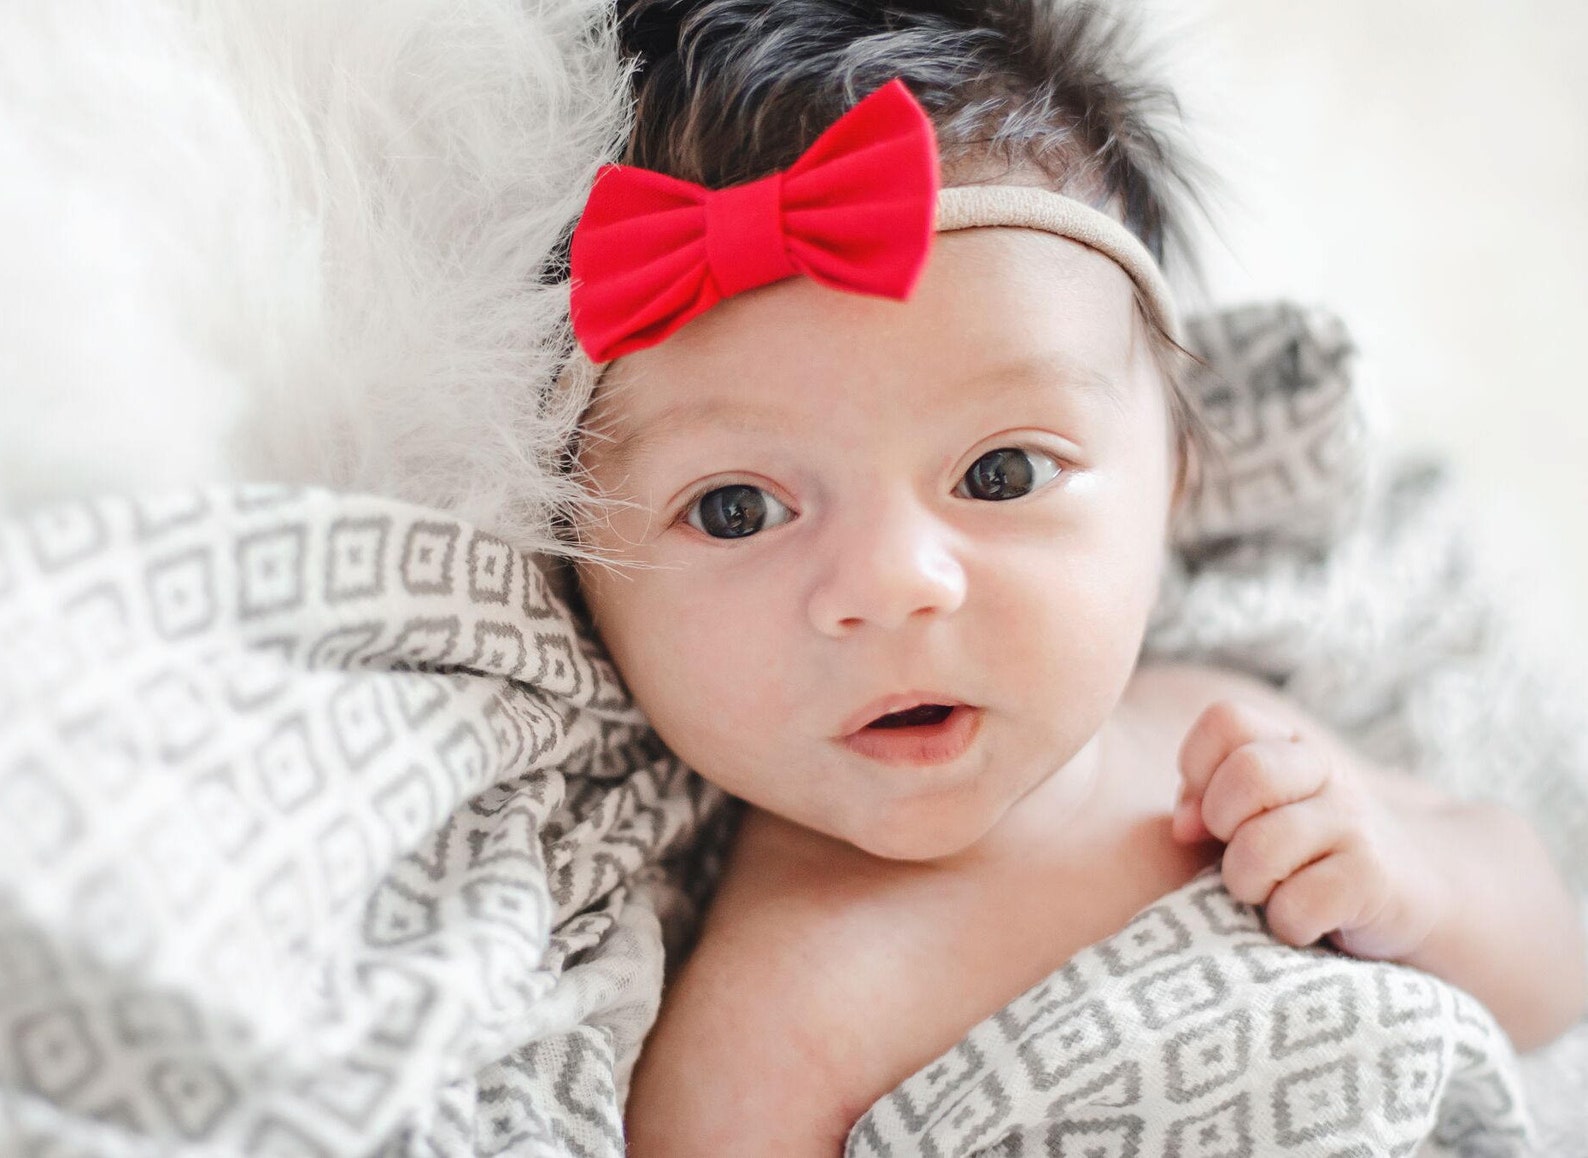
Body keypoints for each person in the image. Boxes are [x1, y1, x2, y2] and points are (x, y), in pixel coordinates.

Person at [560, 1, 1587, 1150]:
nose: (896, 583)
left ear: (1175, 484)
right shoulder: (770, 1023)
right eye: (736, 509)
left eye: (999, 473)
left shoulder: (1225, 744)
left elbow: (1556, 977)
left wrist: (1416, 886)